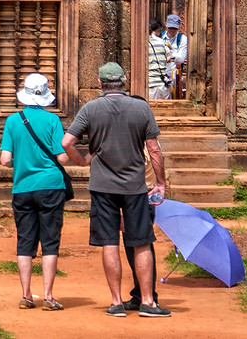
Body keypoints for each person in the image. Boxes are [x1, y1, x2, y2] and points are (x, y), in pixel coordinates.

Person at [61, 62, 170, 318]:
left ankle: (116, 302)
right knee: (141, 242)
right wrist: (161, 182)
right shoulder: (141, 107)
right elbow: (154, 149)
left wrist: (83, 160)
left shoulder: (90, 109)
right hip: (134, 187)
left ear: (100, 84)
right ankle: (147, 302)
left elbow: (67, 142)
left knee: (109, 242)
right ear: (124, 81)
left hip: (102, 186)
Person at [0, 73, 73, 311]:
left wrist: (21, 161)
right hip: (50, 186)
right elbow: (62, 155)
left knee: (25, 241)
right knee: (50, 241)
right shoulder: (52, 121)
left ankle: (26, 295)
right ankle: (49, 296)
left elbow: (4, 160)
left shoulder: (12, 121)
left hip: (22, 187)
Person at [146, 18, 173, 101]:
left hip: (149, 85)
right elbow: (169, 58)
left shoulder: (145, 43)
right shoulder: (162, 42)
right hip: (162, 84)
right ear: (159, 29)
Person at [164, 15, 189, 98]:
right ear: (166, 25)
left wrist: (171, 51)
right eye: (170, 27)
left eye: (175, 28)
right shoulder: (160, 37)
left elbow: (181, 58)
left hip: (174, 76)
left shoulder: (182, 38)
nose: (172, 30)